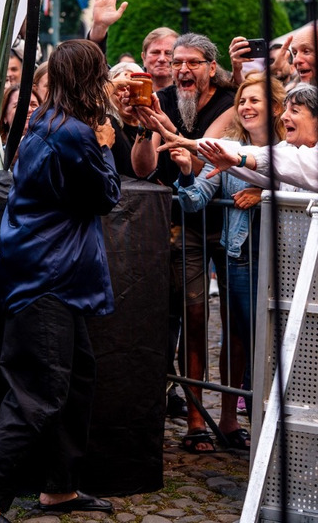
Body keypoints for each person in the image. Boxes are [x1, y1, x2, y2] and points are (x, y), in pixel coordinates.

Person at [0, 39, 120, 523]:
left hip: (52, 272)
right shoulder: (72, 133)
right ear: (91, 81)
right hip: (48, 275)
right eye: (104, 72)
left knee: (76, 384)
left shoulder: (46, 125)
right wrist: (106, 148)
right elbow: (105, 195)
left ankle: (59, 489)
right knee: (38, 391)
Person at [167, 73, 285, 452]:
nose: (247, 107)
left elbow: (312, 181)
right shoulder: (225, 149)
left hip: (285, 261)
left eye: (256, 101)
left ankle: (273, 428)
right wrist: (187, 172)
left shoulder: (294, 148)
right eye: (243, 101)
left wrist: (265, 189)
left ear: (278, 109)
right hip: (242, 258)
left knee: (273, 342)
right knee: (239, 336)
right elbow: (197, 197)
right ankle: (233, 420)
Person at [128, 32, 235, 449]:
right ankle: (194, 418)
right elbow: (142, 168)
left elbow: (210, 153)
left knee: (237, 323)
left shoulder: (230, 101)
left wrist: (167, 128)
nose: (183, 70)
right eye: (176, 63)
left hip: (229, 222)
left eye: (192, 63)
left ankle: (229, 418)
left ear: (211, 67)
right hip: (183, 227)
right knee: (192, 318)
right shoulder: (165, 100)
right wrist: (143, 131)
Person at [177, 84, 318, 197]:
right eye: (285, 110)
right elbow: (249, 158)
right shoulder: (289, 149)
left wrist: (240, 159)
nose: (284, 117)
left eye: (294, 111)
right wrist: (188, 143)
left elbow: (280, 161)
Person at [140, 27, 178, 92]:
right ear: (144, 57)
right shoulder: (130, 93)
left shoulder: (192, 96)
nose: (162, 59)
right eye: (155, 52)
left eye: (168, 53)